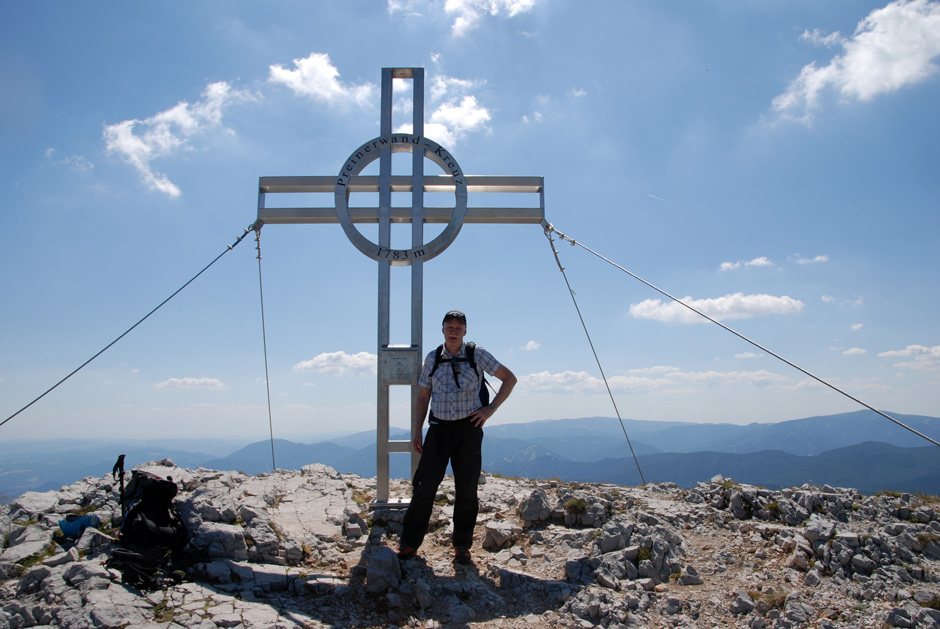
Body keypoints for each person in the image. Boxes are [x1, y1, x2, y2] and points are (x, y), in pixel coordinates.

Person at [396, 310, 517, 564]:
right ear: (442, 330)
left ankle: (462, 546)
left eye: (458, 327)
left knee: (467, 490)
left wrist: (490, 409)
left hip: (468, 429)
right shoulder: (433, 358)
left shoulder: (477, 354)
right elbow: (423, 397)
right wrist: (417, 430)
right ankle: (409, 543)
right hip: (438, 429)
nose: (453, 330)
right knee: (424, 486)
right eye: (449, 326)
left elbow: (509, 379)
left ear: (465, 331)